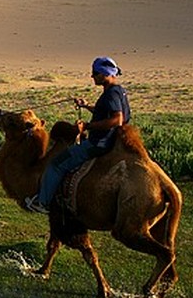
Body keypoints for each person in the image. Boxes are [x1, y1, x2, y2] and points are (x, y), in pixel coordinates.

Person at [25, 56, 131, 214]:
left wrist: (87, 126)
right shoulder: (118, 90)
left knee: (56, 164)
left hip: (99, 143)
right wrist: (86, 106)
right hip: (108, 140)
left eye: (95, 73)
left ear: (105, 73)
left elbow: (117, 119)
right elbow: (106, 112)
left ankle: (43, 202)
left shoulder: (111, 94)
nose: (93, 76)